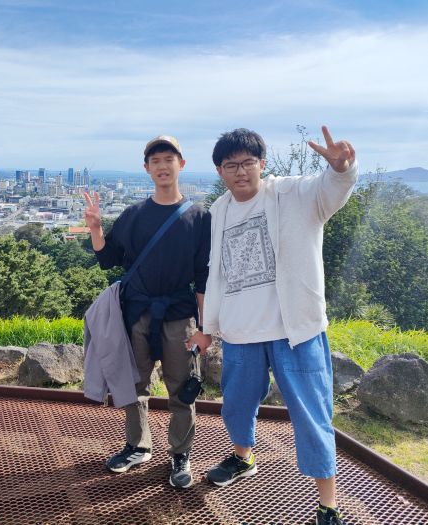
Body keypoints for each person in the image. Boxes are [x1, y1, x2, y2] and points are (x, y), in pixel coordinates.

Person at [201, 127, 357, 525]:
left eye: (248, 163)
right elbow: (215, 273)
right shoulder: (218, 211)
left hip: (296, 330)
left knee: (311, 415)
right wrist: (209, 326)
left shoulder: (293, 193)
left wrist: (341, 169)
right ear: (220, 171)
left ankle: (328, 506)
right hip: (241, 331)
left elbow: (330, 190)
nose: (241, 172)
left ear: (262, 164)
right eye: (231, 165)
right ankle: (243, 458)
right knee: (236, 405)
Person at [83, 135, 212, 489]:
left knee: (182, 387)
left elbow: (204, 277)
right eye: (155, 160)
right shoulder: (133, 214)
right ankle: (137, 445)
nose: (162, 166)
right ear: (146, 168)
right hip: (137, 312)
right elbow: (109, 259)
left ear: (181, 164)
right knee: (134, 382)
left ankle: (180, 453)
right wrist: (96, 229)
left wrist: (205, 327)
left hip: (179, 314)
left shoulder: (199, 217)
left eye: (169, 159)